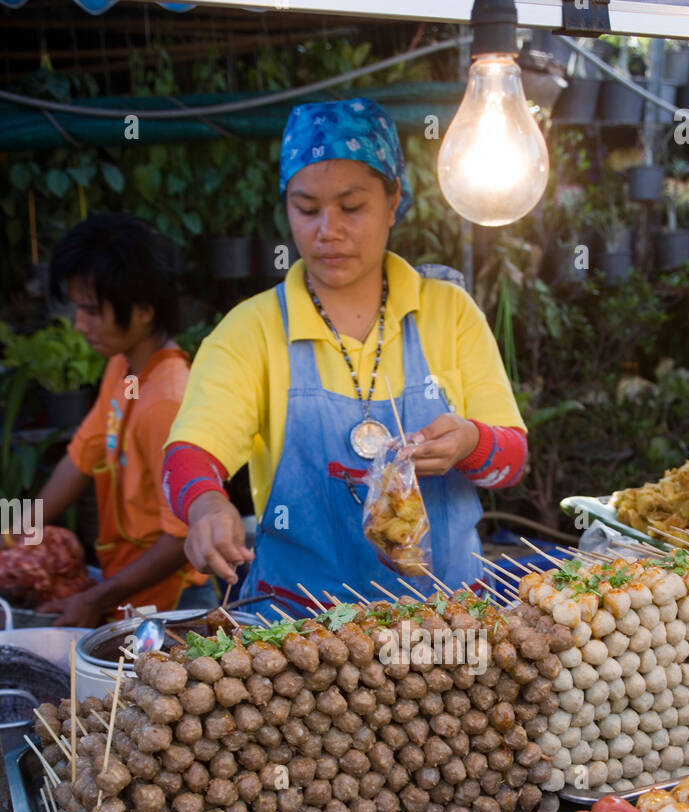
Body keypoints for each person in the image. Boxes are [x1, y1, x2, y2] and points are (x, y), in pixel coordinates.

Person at [163, 98, 527, 611]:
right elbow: (188, 456)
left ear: (394, 199)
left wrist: (471, 443)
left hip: (446, 630)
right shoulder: (251, 330)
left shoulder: (449, 313)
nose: (326, 230)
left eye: (351, 207)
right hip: (297, 638)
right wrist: (206, 505)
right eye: (306, 208)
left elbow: (510, 463)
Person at [38, 213, 212, 626]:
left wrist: (95, 599)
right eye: (78, 308)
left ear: (144, 310)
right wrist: (12, 530)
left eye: (93, 311)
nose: (80, 325)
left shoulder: (166, 402)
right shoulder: (124, 367)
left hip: (174, 604)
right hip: (129, 591)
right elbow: (81, 456)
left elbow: (180, 537)